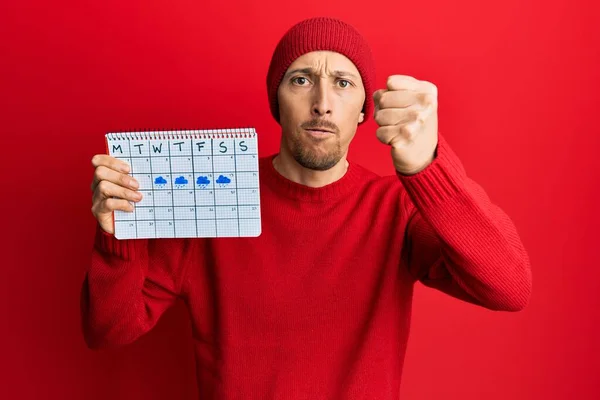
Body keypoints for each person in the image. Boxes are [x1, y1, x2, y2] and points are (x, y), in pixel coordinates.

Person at [82, 16, 532, 399]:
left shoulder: (396, 209)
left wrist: (430, 166)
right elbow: (109, 330)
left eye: (343, 83)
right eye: (301, 80)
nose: (322, 104)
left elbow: (509, 288)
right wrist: (119, 234)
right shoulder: (212, 196)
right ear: (277, 101)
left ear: (362, 109)